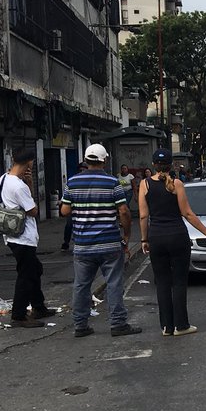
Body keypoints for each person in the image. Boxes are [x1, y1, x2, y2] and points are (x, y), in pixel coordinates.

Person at [61, 144, 141, 338]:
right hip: (109, 242)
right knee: (114, 283)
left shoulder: (72, 182)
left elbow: (64, 211)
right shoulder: (112, 182)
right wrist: (127, 236)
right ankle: (117, 324)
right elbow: (123, 211)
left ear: (86, 160)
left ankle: (80, 325)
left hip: (82, 245)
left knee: (81, 285)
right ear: (104, 160)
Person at [138, 148, 206, 336]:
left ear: (153, 165)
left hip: (156, 237)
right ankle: (181, 325)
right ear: (171, 165)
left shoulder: (145, 184)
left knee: (163, 282)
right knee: (179, 282)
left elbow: (143, 215)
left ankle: (166, 326)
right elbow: (188, 214)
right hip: (177, 236)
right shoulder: (177, 184)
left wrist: (144, 239)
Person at [1, 150, 52, 328]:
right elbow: (33, 210)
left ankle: (38, 306)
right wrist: (29, 186)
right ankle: (19, 315)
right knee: (26, 275)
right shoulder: (19, 186)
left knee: (35, 269)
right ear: (29, 163)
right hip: (24, 237)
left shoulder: (3, 179)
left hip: (12, 234)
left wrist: (28, 182)